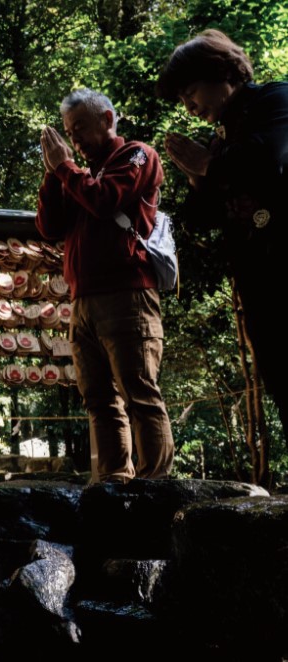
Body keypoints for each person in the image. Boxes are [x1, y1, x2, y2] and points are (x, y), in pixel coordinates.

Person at [36, 88, 175, 483]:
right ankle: (115, 482)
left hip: (127, 295)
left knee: (140, 393)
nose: (74, 139)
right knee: (98, 399)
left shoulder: (136, 155)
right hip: (82, 301)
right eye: (68, 131)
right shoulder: (77, 173)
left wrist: (65, 168)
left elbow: (105, 199)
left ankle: (153, 488)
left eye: (80, 128)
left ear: (108, 119)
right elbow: (49, 227)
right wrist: (53, 172)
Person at [157, 29, 288, 437]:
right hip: (257, 278)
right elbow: (205, 219)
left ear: (222, 73)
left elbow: (272, 157)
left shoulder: (276, 98)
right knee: (280, 376)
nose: (188, 105)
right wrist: (199, 180)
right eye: (182, 99)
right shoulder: (220, 138)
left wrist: (209, 166)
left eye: (191, 91)